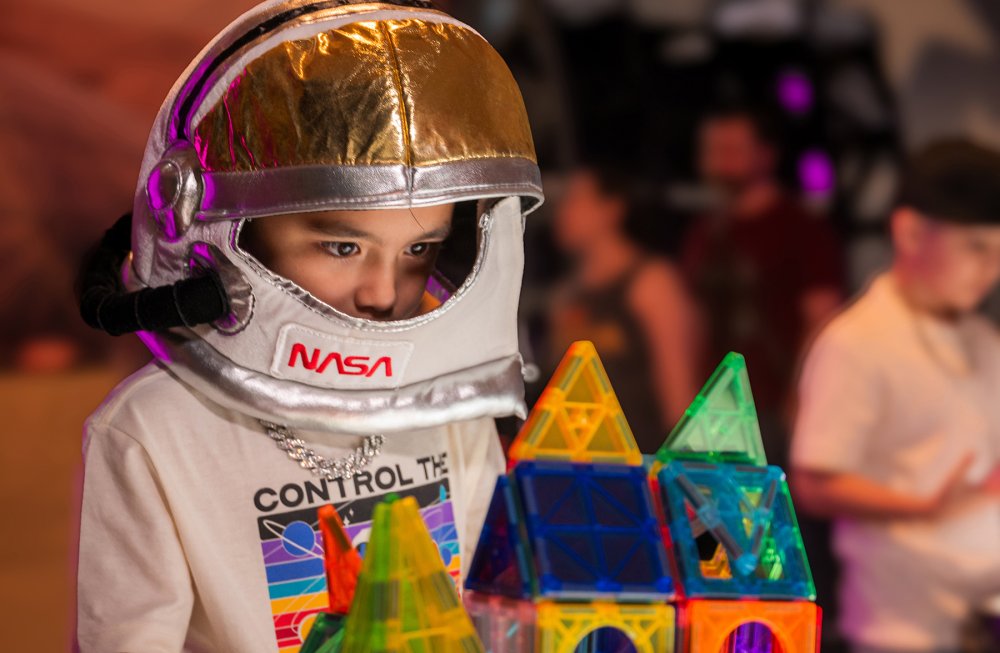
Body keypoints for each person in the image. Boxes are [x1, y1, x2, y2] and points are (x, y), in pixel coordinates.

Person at [75, 2, 544, 651]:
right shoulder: (151, 433)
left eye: (418, 250)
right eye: (342, 248)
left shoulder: (450, 398)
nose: (384, 292)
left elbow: (493, 614)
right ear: (225, 233)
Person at [791, 140, 1000, 653]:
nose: (991, 267)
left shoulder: (984, 338)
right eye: (975, 246)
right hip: (903, 629)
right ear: (909, 232)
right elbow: (812, 481)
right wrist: (921, 506)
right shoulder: (857, 341)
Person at [682, 104, 844, 465]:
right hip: (718, 407)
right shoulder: (705, 232)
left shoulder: (800, 227)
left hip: (777, 405)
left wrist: (800, 396)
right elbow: (693, 320)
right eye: (712, 151)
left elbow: (822, 317)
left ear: (766, 155)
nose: (719, 162)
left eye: (732, 150)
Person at [546, 165, 700, 451]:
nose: (562, 212)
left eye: (574, 200)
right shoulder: (565, 296)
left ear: (612, 209)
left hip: (641, 460)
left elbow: (679, 395)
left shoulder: (651, 282)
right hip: (580, 464)